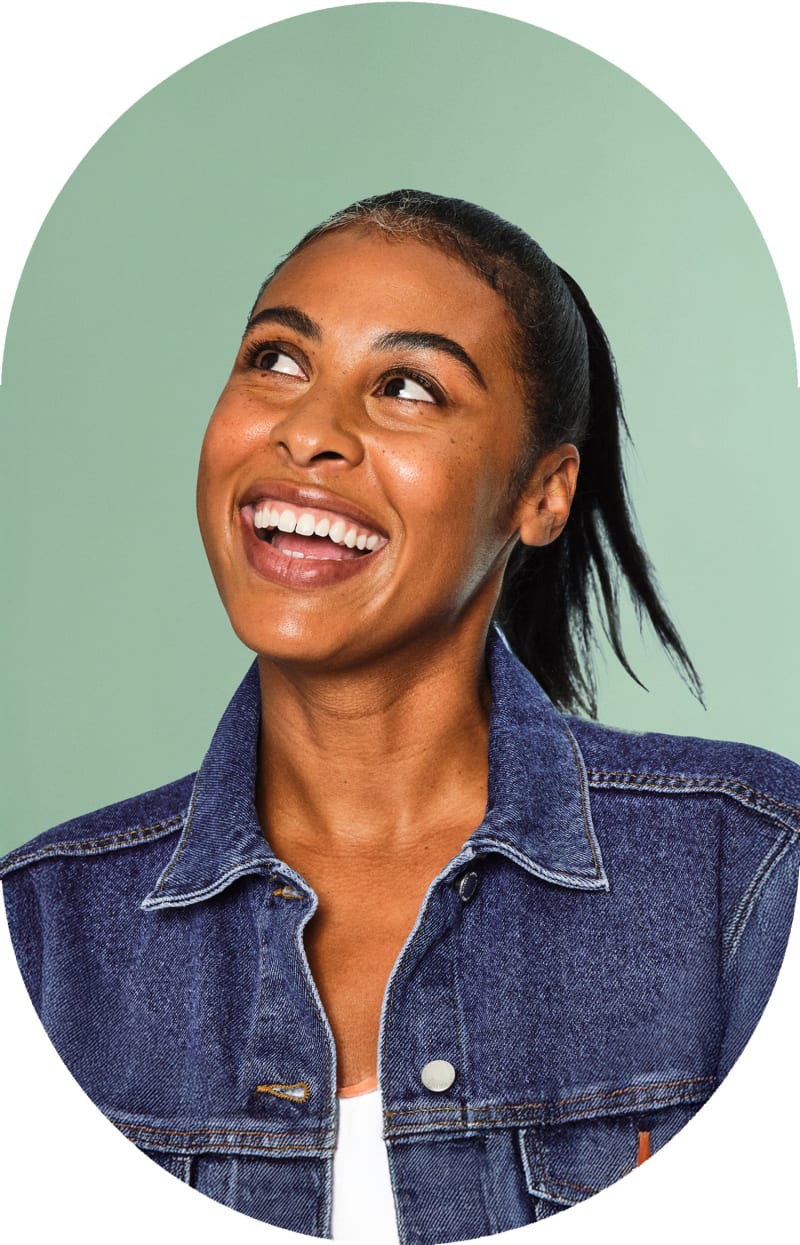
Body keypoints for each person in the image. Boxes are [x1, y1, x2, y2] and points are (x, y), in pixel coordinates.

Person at [1, 189, 799, 1245]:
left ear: (542, 495)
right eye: (276, 360)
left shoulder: (746, 875)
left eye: (407, 386)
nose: (308, 431)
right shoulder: (41, 936)